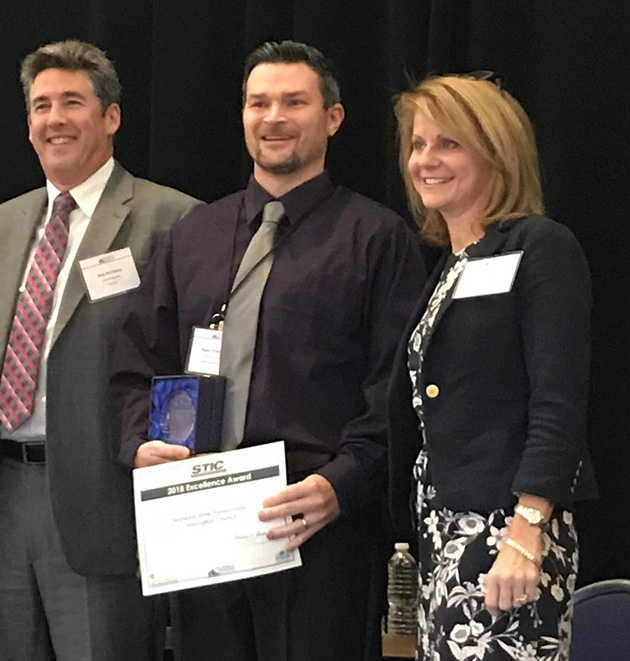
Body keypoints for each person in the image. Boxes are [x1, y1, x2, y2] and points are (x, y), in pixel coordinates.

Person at [110, 40, 425, 661]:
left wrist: (344, 484)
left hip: (314, 518)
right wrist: (137, 445)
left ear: (332, 118)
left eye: (293, 102)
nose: (273, 117)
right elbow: (135, 364)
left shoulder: (377, 237)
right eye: (259, 103)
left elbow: (397, 389)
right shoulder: (192, 236)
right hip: (200, 514)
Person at [0, 40, 200, 660]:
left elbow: (188, 367)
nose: (55, 119)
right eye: (41, 105)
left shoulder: (173, 218)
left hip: (103, 502)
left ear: (110, 117)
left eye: (72, 103)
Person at [387, 74, 598, 659]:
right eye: (418, 144)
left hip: (509, 534)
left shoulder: (540, 247)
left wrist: (525, 535)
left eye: (448, 144)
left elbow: (558, 403)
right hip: (443, 533)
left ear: (497, 155)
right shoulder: (448, 268)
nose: (426, 160)